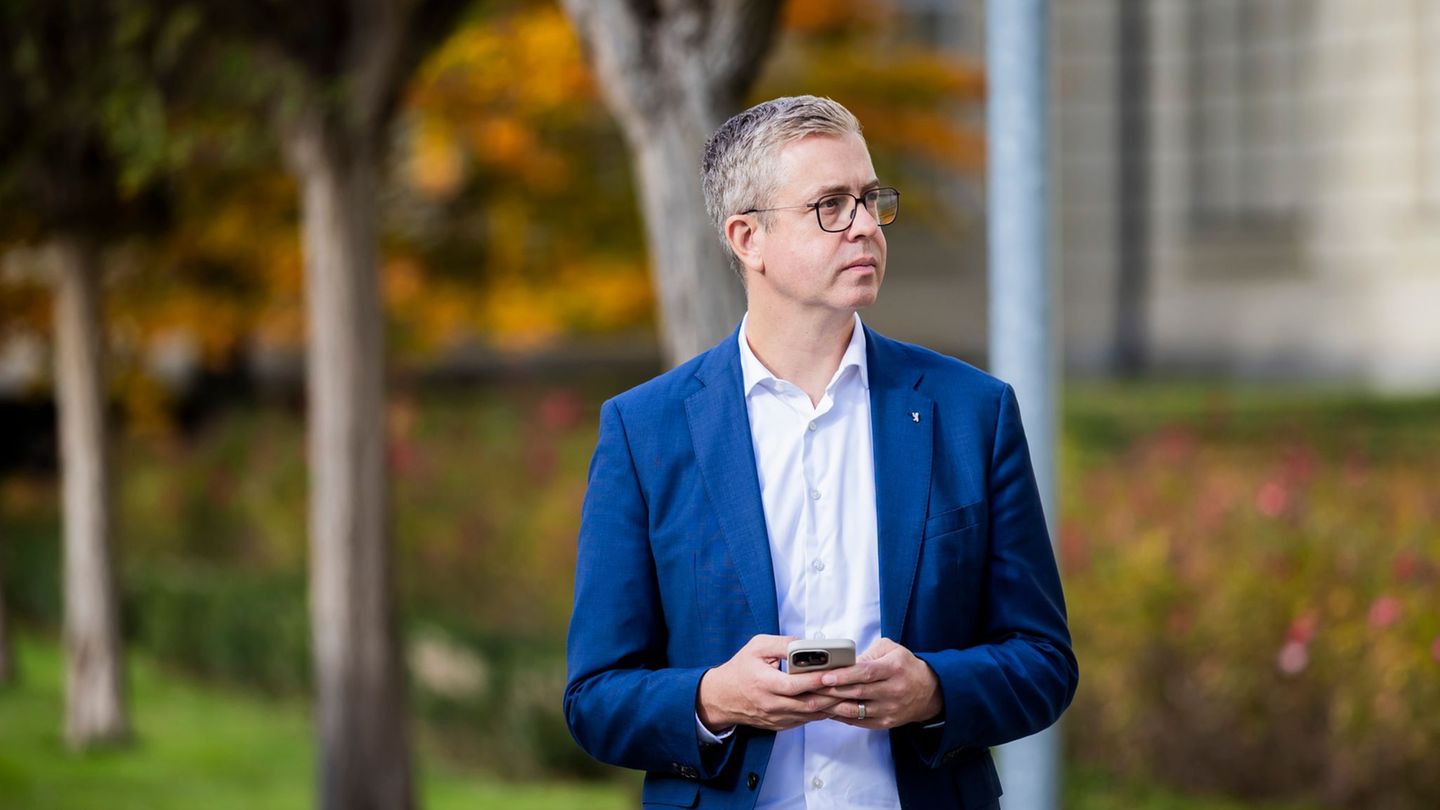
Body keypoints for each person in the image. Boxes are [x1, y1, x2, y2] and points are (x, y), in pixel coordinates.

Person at [564, 95, 1077, 810]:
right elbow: (595, 696)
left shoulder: (972, 413)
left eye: (870, 199)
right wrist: (715, 698)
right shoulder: (645, 432)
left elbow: (1044, 661)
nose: (865, 226)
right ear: (749, 239)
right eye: (830, 206)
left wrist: (933, 690)